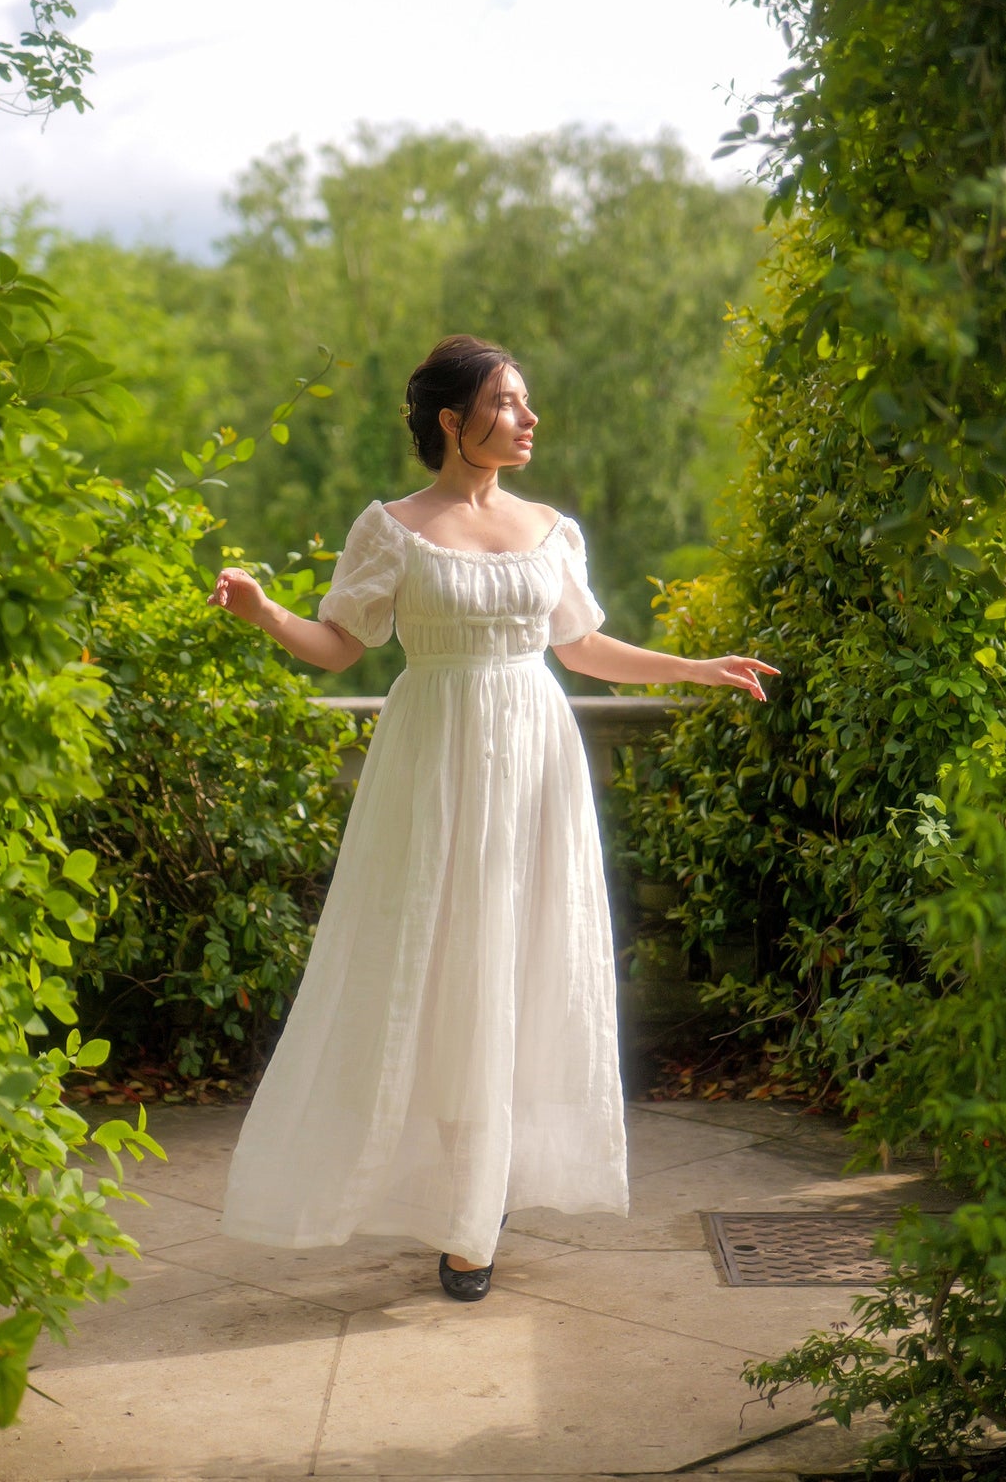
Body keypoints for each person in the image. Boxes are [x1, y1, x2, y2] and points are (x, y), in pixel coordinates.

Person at [209, 335, 778, 1303]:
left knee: (522, 963)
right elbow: (341, 645)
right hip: (432, 764)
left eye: (524, 401)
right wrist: (265, 612)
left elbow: (582, 647)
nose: (527, 418)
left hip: (535, 761)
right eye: (506, 403)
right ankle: (453, 1198)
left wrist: (693, 667)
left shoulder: (550, 529)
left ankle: (482, 1200)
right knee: (435, 969)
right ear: (451, 420)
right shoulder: (391, 528)